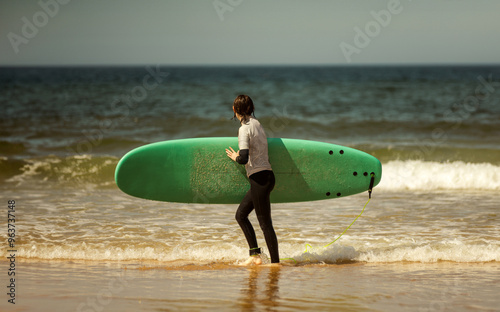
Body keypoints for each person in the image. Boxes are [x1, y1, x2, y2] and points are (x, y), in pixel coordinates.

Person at [225, 95, 280, 265]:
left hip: (259, 179)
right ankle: (255, 255)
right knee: (241, 215)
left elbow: (243, 158)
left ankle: (275, 264)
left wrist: (234, 156)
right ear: (251, 108)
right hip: (266, 177)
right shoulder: (257, 124)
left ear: (235, 110)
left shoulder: (244, 129)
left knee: (265, 224)